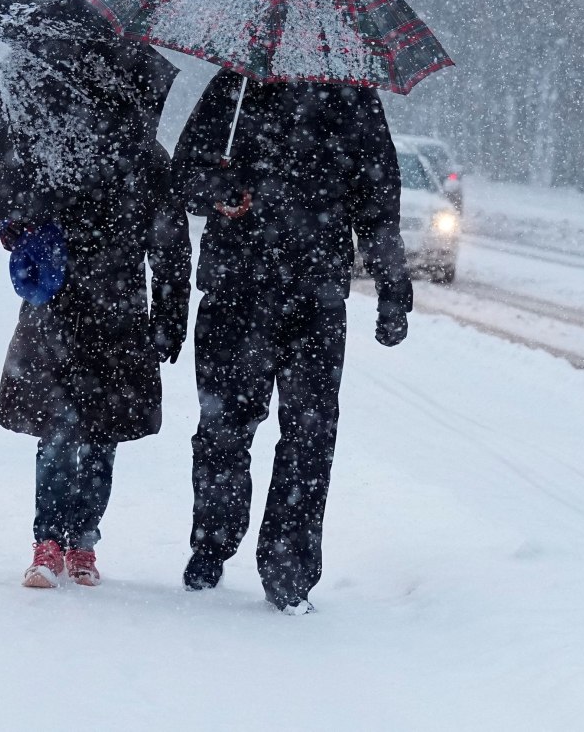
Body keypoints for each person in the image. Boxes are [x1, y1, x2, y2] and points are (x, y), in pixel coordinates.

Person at [172, 70, 412, 614]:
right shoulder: (233, 87)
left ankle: (289, 571)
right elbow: (185, 174)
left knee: (309, 437)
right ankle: (211, 545)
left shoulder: (354, 98)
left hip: (316, 298)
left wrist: (393, 286)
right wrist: (222, 190)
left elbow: (377, 201)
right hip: (234, 289)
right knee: (223, 431)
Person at [0, 140, 191, 588]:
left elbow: (170, 247)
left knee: (100, 435)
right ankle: (49, 540)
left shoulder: (143, 157)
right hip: (59, 310)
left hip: (115, 315)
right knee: (59, 432)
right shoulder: (49, 146)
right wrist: (17, 219)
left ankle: (82, 541)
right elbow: (12, 233)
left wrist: (169, 318)